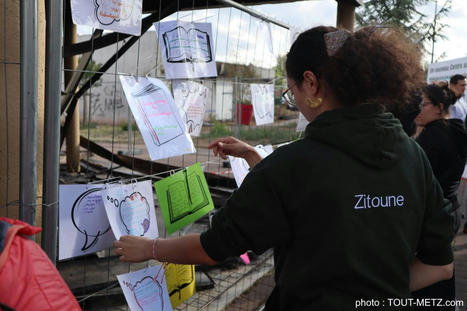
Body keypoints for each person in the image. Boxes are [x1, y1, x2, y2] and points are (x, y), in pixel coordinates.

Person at [114, 26, 454, 310]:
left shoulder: (292, 166)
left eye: (291, 93)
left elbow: (214, 247)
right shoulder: (413, 155)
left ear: (311, 84)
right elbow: (440, 265)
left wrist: (151, 248)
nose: (296, 103)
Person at [411, 83, 467, 309]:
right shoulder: (454, 129)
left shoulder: (432, 137)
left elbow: (414, 180)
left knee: (429, 279)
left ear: (439, 107)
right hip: (450, 211)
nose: (418, 110)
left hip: (431, 218)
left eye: (423, 105)